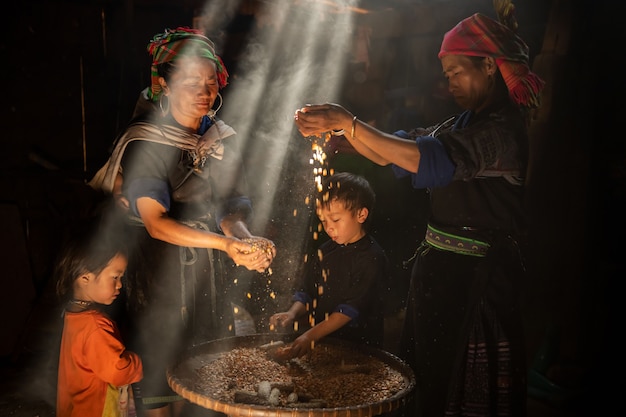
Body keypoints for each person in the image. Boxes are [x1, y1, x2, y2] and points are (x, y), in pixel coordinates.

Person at [294, 8, 544, 417]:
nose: (450, 83)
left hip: (477, 285)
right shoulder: (465, 121)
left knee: (460, 384)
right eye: (446, 74)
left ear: (488, 66)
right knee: (427, 377)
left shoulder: (501, 132)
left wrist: (349, 123)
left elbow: (431, 159)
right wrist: (343, 140)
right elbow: (410, 144)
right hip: (442, 277)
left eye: (457, 72)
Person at [88, 27, 276, 417]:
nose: (204, 91)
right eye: (191, 82)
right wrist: (226, 246)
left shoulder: (219, 138)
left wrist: (243, 240)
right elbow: (156, 223)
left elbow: (230, 206)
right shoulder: (147, 142)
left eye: (210, 82)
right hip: (157, 272)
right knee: (160, 375)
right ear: (164, 85)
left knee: (205, 369)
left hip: (206, 269)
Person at [269, 172, 388, 358]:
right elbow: (308, 291)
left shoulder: (372, 258)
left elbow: (350, 309)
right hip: (323, 342)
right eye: (323, 220)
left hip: (360, 347)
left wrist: (311, 335)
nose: (328, 227)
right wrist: (292, 313)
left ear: (361, 214)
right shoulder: (325, 250)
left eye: (335, 219)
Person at [55, 220, 143, 417]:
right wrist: (138, 361)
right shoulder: (95, 325)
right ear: (85, 277)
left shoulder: (72, 315)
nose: (120, 285)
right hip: (98, 410)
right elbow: (118, 372)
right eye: (115, 277)